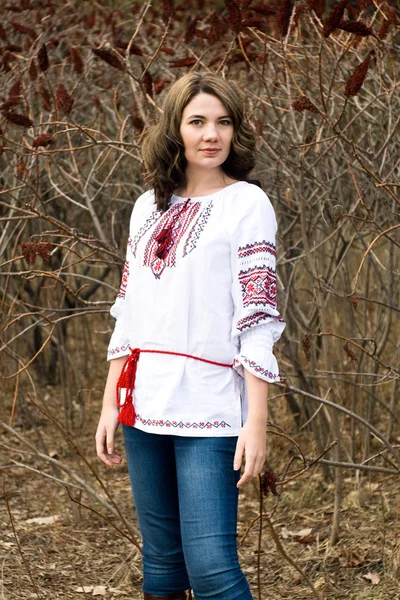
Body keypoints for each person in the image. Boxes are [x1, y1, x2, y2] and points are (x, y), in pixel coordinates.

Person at [95, 72, 286, 600]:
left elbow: (258, 316)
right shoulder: (146, 207)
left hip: (211, 408)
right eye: (197, 121)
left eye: (223, 122)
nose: (211, 134)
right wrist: (110, 403)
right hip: (143, 402)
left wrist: (257, 423)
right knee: (161, 568)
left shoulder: (247, 204)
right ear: (174, 130)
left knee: (211, 570)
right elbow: (128, 312)